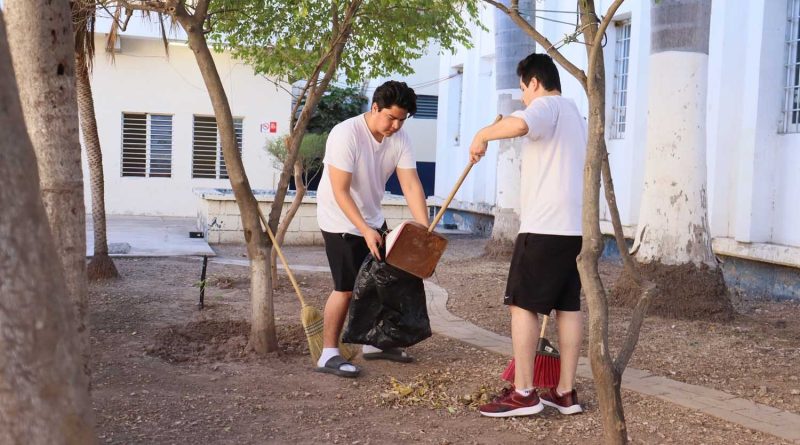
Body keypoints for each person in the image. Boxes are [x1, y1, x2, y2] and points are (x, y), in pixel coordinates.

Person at [470, 53, 587, 417]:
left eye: (523, 88)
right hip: (573, 230)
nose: (522, 97)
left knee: (522, 304)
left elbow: (520, 125)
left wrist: (482, 134)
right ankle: (564, 392)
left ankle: (523, 393)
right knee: (567, 307)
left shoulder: (547, 106)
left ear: (535, 82)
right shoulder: (575, 115)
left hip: (543, 227)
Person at [314, 80, 430, 378]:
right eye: (391, 118)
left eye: (402, 120)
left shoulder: (400, 137)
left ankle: (375, 344)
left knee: (385, 281)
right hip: (340, 218)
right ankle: (328, 354)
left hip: (373, 217)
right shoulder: (346, 134)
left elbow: (410, 183)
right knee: (347, 288)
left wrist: (425, 228)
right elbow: (340, 191)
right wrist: (364, 229)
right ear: (374, 107)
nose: (395, 125)